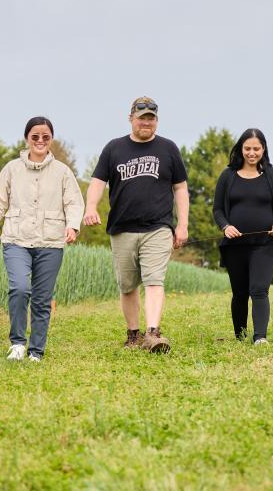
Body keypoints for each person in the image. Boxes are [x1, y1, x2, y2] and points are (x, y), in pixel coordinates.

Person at [83, 96, 189, 353]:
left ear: (156, 121)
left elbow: (181, 188)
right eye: (141, 117)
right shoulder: (114, 148)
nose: (146, 122)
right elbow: (98, 181)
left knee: (154, 280)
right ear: (131, 118)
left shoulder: (168, 149)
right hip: (122, 229)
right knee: (128, 285)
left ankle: (153, 333)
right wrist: (90, 207)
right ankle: (133, 334)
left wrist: (182, 224)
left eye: (151, 118)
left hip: (158, 227)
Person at [0, 117, 84, 362]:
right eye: (35, 136)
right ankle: (17, 343)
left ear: (51, 140)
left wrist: (72, 227)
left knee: (42, 298)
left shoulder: (62, 172)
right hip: (16, 239)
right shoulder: (11, 169)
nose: (40, 141)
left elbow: (74, 203)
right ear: (27, 138)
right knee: (19, 288)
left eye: (45, 136)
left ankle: (36, 350)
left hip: (50, 243)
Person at [213, 129, 273, 344]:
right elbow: (218, 209)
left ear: (263, 149)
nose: (252, 153)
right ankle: (240, 335)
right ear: (240, 149)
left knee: (259, 290)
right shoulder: (228, 176)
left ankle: (260, 337)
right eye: (247, 148)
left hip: (265, 244)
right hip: (235, 245)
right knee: (239, 293)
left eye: (256, 148)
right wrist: (225, 226)